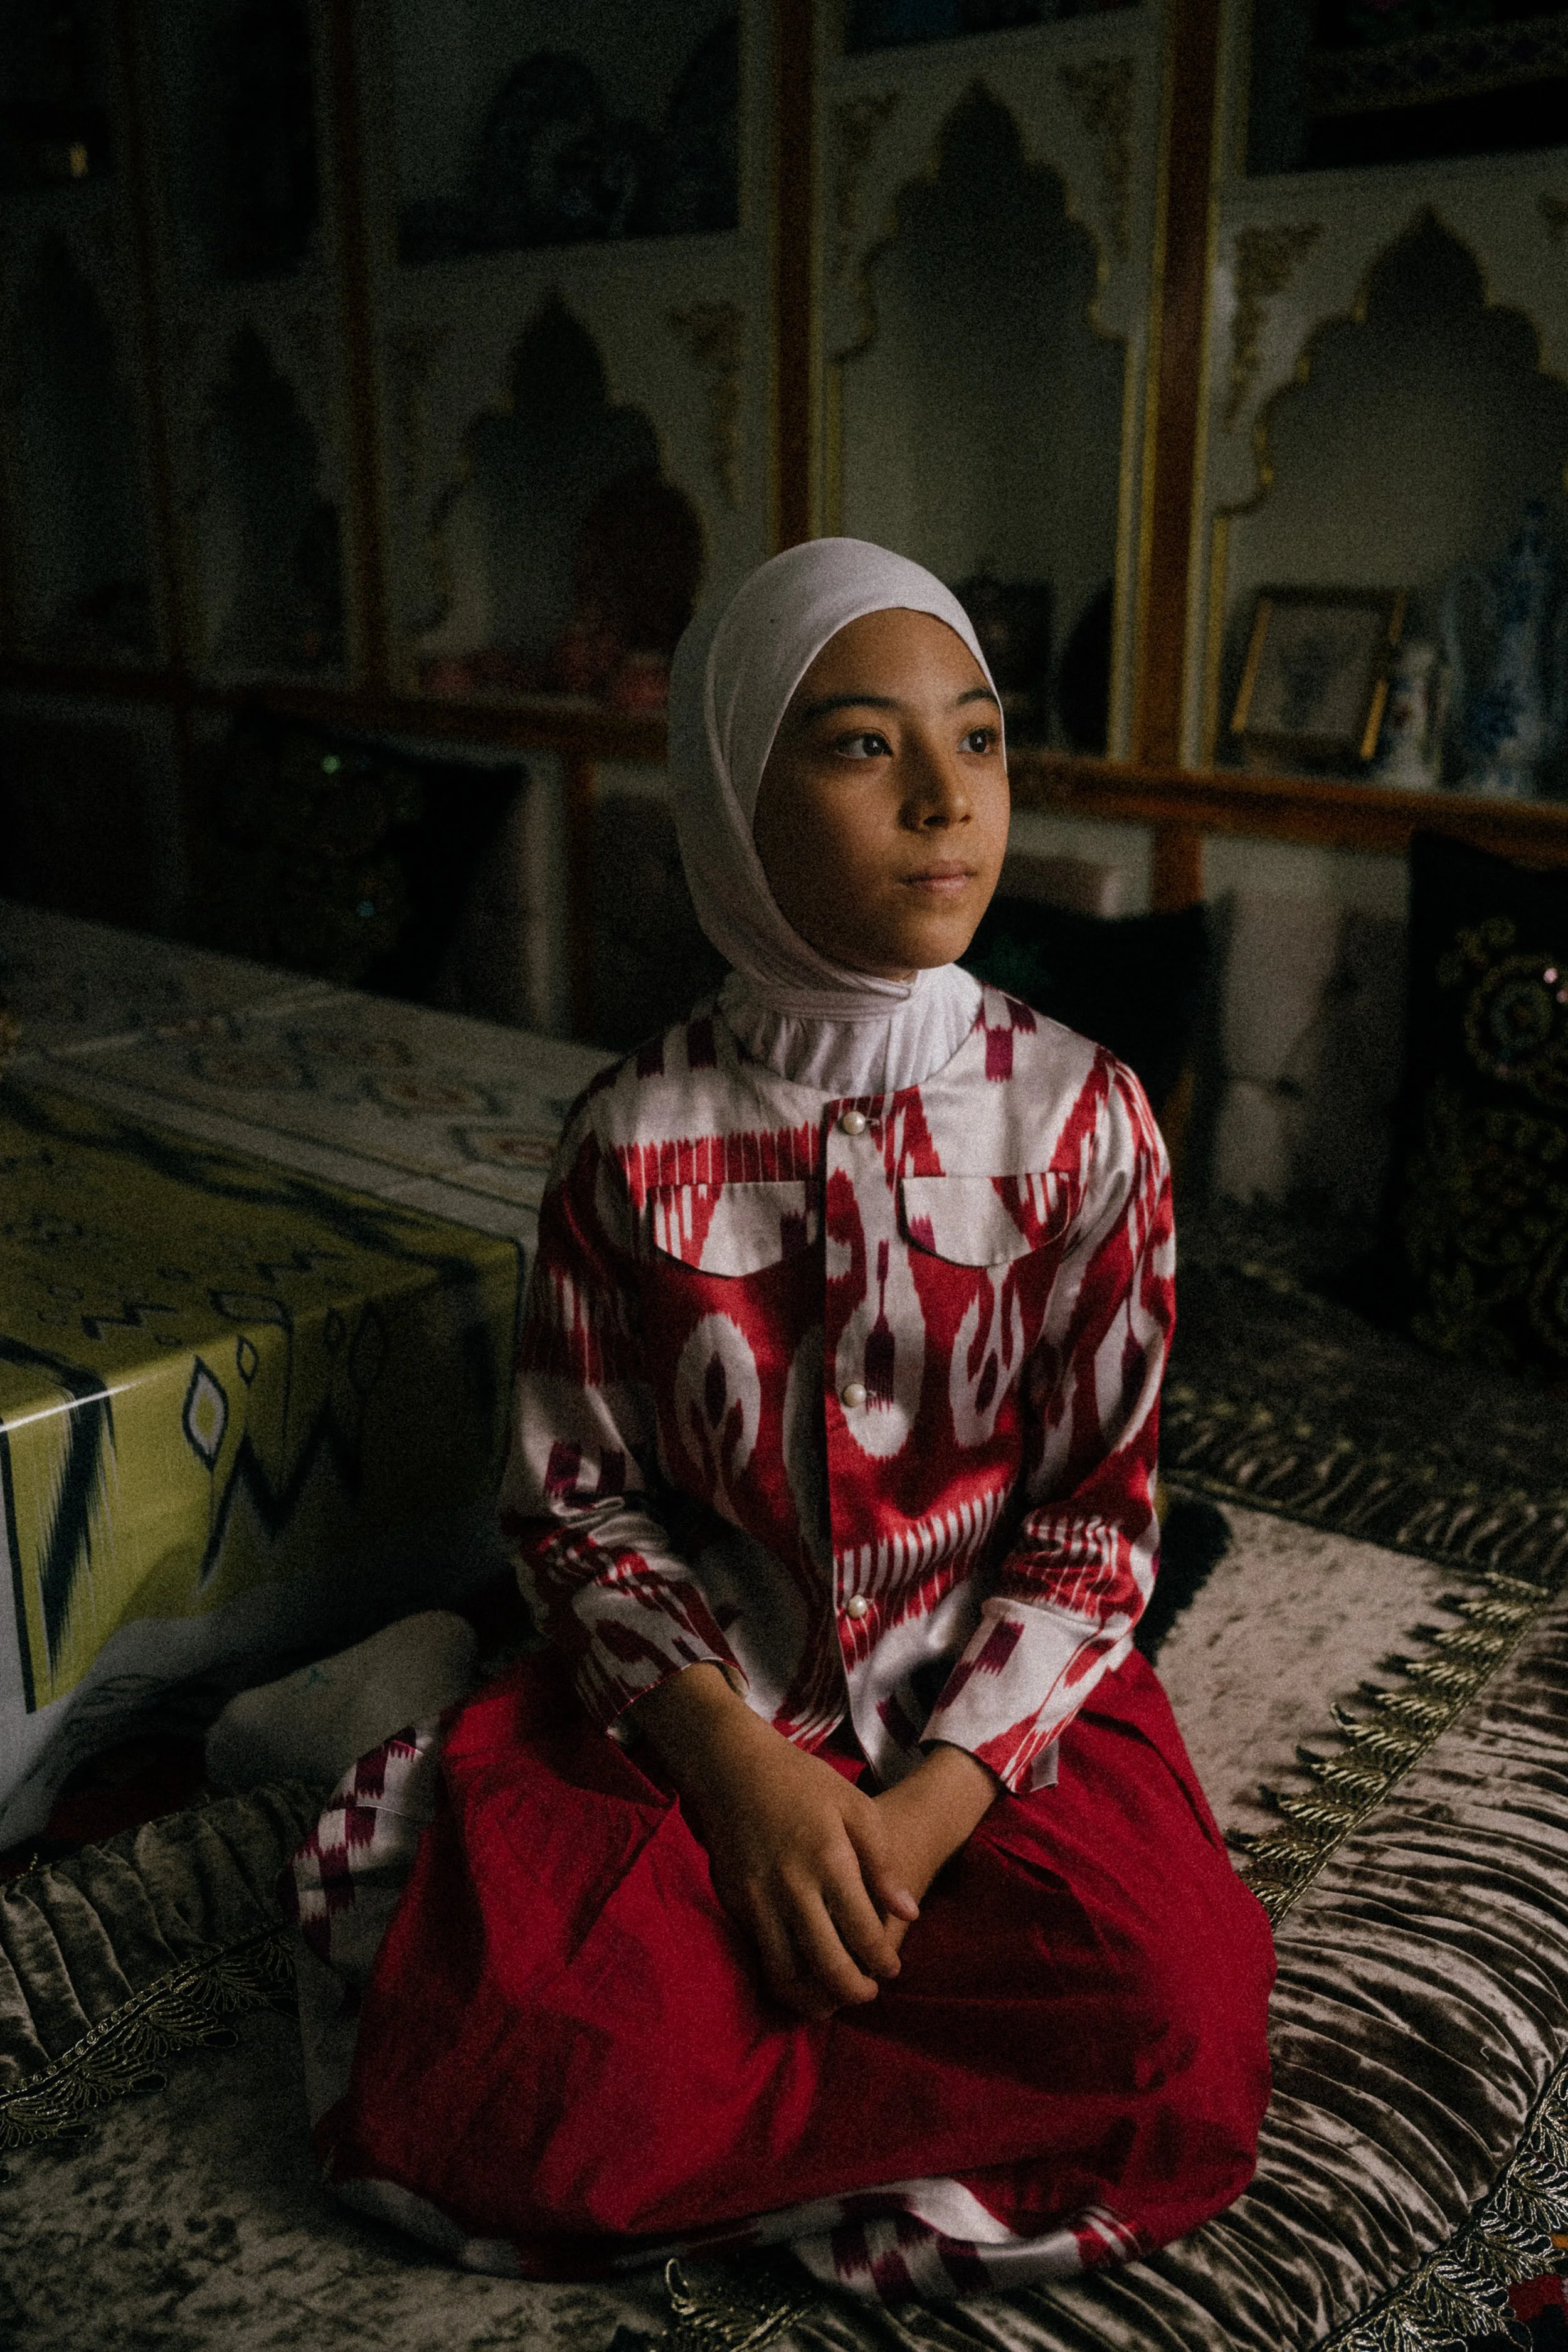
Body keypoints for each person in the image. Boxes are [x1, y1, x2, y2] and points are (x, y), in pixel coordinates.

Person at [279, 539, 1274, 2303]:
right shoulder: (630, 1137)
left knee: (1168, 2006)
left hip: (982, 1703)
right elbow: (580, 1502)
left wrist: (922, 1816)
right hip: (711, 1694)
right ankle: (441, 1707)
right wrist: (742, 1784)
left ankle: (797, 2069)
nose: (942, 801)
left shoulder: (1085, 1121)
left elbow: (1092, 1528)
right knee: (524, 2067)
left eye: (973, 741)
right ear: (732, 797)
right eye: (859, 746)